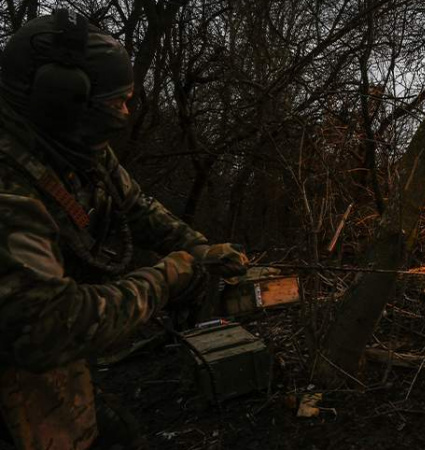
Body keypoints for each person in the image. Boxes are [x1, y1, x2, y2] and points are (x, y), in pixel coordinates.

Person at [0, 10, 248, 449]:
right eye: (116, 102)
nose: (127, 112)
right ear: (62, 100)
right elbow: (50, 328)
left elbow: (135, 205)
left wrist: (200, 250)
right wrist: (166, 279)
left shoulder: (72, 145)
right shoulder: (10, 189)